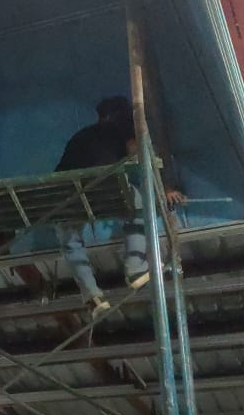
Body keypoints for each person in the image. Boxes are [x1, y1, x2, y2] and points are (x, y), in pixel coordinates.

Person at [55, 96, 185, 316]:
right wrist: (165, 188)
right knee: (140, 204)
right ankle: (135, 267)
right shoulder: (122, 127)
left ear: (100, 116)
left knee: (69, 240)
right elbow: (141, 157)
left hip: (64, 194)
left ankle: (91, 295)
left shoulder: (80, 136)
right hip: (103, 188)